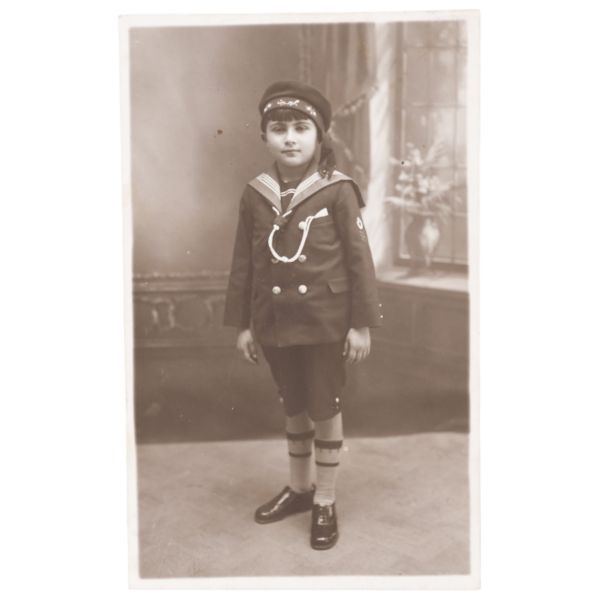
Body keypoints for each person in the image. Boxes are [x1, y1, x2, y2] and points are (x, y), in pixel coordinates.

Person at [223, 81, 382, 550]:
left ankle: (325, 499)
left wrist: (361, 324)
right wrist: (243, 324)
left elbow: (360, 261)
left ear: (319, 135)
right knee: (293, 405)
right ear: (264, 137)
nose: (289, 138)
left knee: (323, 406)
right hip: (274, 321)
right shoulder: (256, 193)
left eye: (300, 128)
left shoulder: (338, 190)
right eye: (279, 129)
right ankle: (299, 489)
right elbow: (243, 262)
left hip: (326, 322)